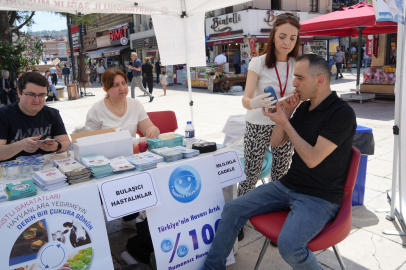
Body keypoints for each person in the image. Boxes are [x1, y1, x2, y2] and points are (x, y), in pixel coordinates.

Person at [203, 54, 357, 270]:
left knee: (290, 246)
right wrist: (287, 112)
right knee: (232, 209)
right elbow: (276, 142)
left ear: (320, 80)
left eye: (300, 78)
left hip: (319, 196)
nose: (294, 83)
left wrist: (286, 121)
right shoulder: (304, 107)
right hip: (288, 184)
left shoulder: (342, 114)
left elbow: (312, 159)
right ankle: (212, 267)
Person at [238, 13, 300, 240]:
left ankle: (276, 225)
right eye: (282, 36)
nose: (287, 42)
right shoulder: (258, 62)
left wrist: (294, 101)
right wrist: (254, 102)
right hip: (258, 123)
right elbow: (245, 99)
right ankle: (238, 219)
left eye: (292, 38)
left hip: (285, 123)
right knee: (251, 174)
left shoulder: (297, 64)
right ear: (273, 36)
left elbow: (301, 92)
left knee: (281, 175)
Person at [85, 68, 159, 227]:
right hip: (107, 160)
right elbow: (87, 139)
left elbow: (149, 127)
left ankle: (138, 213)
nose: (122, 88)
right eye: (115, 85)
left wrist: (152, 130)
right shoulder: (97, 109)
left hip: (132, 156)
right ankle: (125, 213)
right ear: (105, 89)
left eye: (124, 83)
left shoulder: (135, 104)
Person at [0, 72, 71, 161]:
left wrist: (56, 146)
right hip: (13, 170)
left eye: (41, 95)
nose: (37, 100)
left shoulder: (52, 114)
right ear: (19, 93)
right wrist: (20, 146)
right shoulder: (3, 114)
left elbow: (67, 143)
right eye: (31, 94)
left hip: (46, 169)